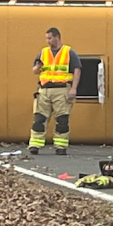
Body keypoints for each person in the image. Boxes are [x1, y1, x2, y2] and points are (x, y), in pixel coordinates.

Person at [29, 27, 81, 155]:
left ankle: (60, 145)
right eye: (47, 38)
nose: (47, 41)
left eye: (50, 38)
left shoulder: (68, 52)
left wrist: (73, 88)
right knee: (39, 118)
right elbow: (35, 71)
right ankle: (35, 144)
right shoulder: (43, 53)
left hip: (61, 89)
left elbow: (77, 70)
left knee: (62, 119)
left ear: (57, 37)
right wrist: (37, 67)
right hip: (44, 90)